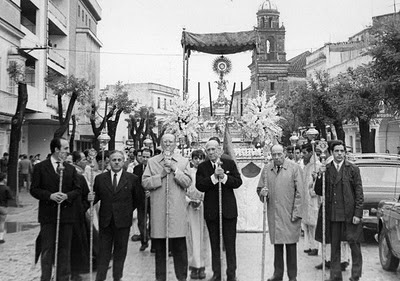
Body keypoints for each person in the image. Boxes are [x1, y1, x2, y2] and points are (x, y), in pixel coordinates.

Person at [142, 133, 192, 281]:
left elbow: (188, 182)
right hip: (159, 213)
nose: (168, 144)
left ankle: (182, 277)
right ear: (161, 144)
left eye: (171, 141)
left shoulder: (183, 161)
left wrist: (176, 170)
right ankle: (160, 278)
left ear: (175, 143)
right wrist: (161, 175)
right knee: (160, 251)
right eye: (165, 142)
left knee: (180, 250)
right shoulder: (152, 162)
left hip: (177, 213)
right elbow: (145, 183)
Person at [30, 137, 81, 281]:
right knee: (47, 249)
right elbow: (34, 189)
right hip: (48, 215)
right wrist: (50, 196)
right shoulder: (40, 167)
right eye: (65, 148)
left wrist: (66, 196)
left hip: (66, 216)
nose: (67, 151)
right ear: (56, 150)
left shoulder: (71, 169)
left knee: (64, 250)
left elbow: (77, 190)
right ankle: (46, 277)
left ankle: (62, 278)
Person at [314, 140, 364, 281]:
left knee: (354, 244)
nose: (340, 154)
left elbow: (359, 193)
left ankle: (356, 274)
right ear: (331, 152)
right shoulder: (327, 169)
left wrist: (358, 213)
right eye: (337, 151)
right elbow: (319, 190)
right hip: (333, 214)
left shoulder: (353, 169)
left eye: (342, 151)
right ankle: (335, 275)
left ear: (345, 153)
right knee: (334, 246)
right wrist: (319, 175)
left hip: (349, 214)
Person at [88, 150, 138, 281]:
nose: (116, 162)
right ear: (109, 161)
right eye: (113, 160)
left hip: (123, 221)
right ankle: (100, 277)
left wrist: (127, 211)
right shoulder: (100, 179)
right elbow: (96, 197)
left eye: (119, 160)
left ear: (123, 161)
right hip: (106, 221)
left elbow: (137, 200)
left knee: (120, 252)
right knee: (104, 252)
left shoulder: (132, 179)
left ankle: (117, 277)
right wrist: (90, 198)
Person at [196, 140, 242, 281]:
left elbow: (238, 182)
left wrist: (224, 177)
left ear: (219, 150)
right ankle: (217, 273)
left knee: (229, 244)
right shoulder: (203, 167)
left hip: (228, 211)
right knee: (214, 245)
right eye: (208, 150)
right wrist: (214, 177)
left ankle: (231, 274)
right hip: (212, 212)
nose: (210, 152)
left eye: (213, 149)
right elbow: (200, 185)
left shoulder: (229, 163)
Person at [257, 144, 303, 281]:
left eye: (279, 154)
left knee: (290, 246)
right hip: (274, 214)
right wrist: (263, 193)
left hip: (289, 213)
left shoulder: (294, 168)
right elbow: (259, 188)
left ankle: (292, 276)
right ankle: (278, 274)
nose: (277, 157)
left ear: (284, 154)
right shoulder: (266, 170)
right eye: (274, 154)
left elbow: (300, 192)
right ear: (271, 155)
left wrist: (297, 212)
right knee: (277, 245)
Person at [186, 149, 210, 280]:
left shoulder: (207, 172)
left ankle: (202, 266)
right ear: (192, 159)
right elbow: (183, 189)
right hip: (190, 207)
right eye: (196, 158)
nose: (198, 161)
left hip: (204, 207)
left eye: (201, 158)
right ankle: (194, 266)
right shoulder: (188, 172)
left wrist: (201, 201)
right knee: (192, 238)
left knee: (203, 238)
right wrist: (190, 201)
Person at [301, 143, 321, 256]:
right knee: (307, 224)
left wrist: (313, 185)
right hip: (305, 198)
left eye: (305, 153)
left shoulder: (316, 165)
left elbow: (316, 183)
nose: (304, 155)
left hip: (313, 198)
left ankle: (315, 246)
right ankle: (308, 245)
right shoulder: (307, 165)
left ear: (310, 153)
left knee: (314, 223)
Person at [132, 148, 153, 251]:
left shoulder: (155, 168)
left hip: (152, 200)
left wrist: (151, 191)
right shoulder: (137, 168)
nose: (144, 159)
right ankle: (144, 241)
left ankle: (153, 243)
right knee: (141, 221)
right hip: (140, 199)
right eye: (143, 156)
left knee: (153, 222)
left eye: (147, 157)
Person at [0, 172, 13, 243]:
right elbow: (10, 197)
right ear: (3, 179)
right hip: (3, 207)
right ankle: (1, 238)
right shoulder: (6, 188)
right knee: (1, 222)